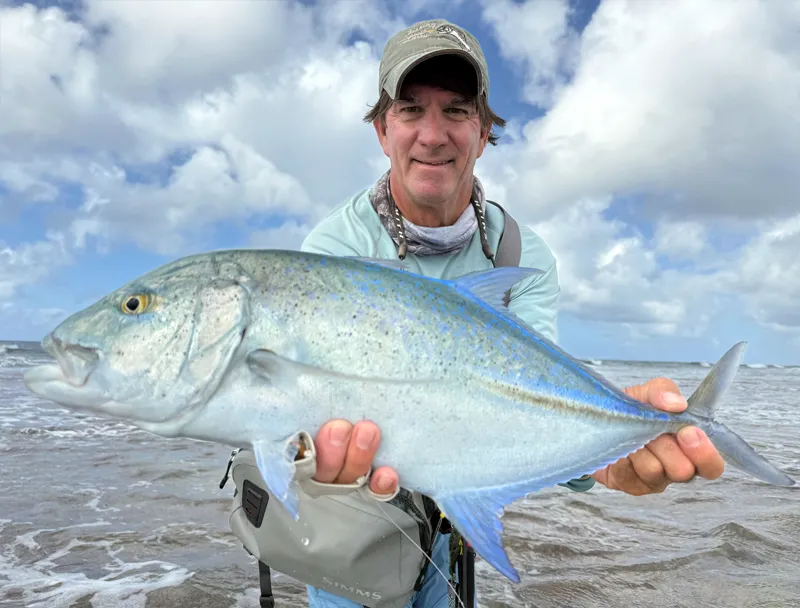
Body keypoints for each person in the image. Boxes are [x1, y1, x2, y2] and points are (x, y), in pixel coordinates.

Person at [253, 18, 725, 608]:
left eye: (456, 111)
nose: (433, 134)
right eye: (409, 109)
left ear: (482, 133)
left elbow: (530, 401)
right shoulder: (336, 251)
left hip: (456, 525)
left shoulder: (520, 256)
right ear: (382, 129)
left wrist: (605, 460)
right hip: (356, 529)